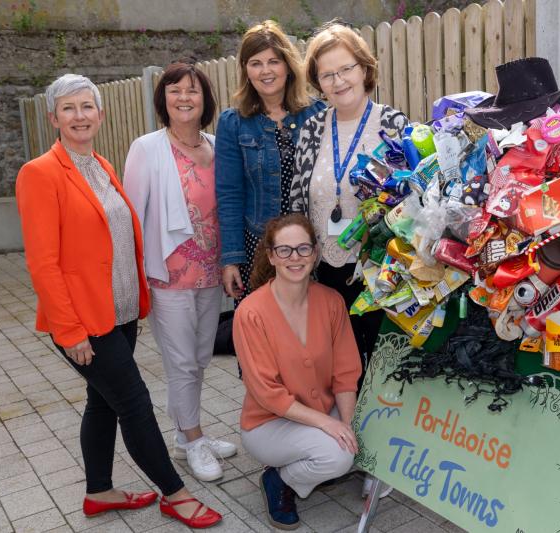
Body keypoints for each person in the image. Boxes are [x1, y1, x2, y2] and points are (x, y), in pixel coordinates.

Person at [15, 73, 221, 528]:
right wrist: (69, 332)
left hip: (121, 314)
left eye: (87, 106)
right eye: (68, 108)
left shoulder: (102, 166)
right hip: (84, 322)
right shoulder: (39, 174)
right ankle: (176, 494)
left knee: (101, 402)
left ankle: (100, 491)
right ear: (54, 117)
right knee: (134, 403)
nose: (79, 116)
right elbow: (43, 264)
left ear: (101, 114)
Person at [123, 59, 237, 483]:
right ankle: (193, 438)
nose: (184, 97)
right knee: (181, 362)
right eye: (175, 90)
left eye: (192, 90)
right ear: (163, 99)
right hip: (168, 277)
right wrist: (135, 278)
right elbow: (133, 218)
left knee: (201, 357)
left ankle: (183, 432)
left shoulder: (215, 146)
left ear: (204, 98)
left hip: (212, 273)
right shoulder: (147, 148)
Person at [289, 22, 409, 375]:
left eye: (346, 69)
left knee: (377, 365)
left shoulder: (393, 123)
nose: (338, 81)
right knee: (334, 367)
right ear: (318, 82)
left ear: (364, 68)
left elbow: (409, 201)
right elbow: (298, 198)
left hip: (378, 270)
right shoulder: (312, 129)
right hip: (323, 270)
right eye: (327, 75)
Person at [233, 213, 362, 530]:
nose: (295, 258)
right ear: (271, 255)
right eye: (285, 250)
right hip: (269, 423)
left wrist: (347, 425)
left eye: (303, 249)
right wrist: (328, 427)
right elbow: (267, 393)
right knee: (339, 456)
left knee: (355, 440)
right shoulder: (251, 313)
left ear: (315, 253)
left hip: (323, 409)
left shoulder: (331, 302)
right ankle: (280, 480)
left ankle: (314, 459)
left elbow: (345, 372)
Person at [216, 20, 325, 304]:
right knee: (263, 331)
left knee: (310, 328)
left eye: (273, 61)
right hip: (259, 247)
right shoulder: (233, 123)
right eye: (255, 63)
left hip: (311, 246)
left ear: (288, 66)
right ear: (245, 70)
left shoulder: (318, 114)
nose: (265, 71)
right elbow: (229, 196)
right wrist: (231, 260)